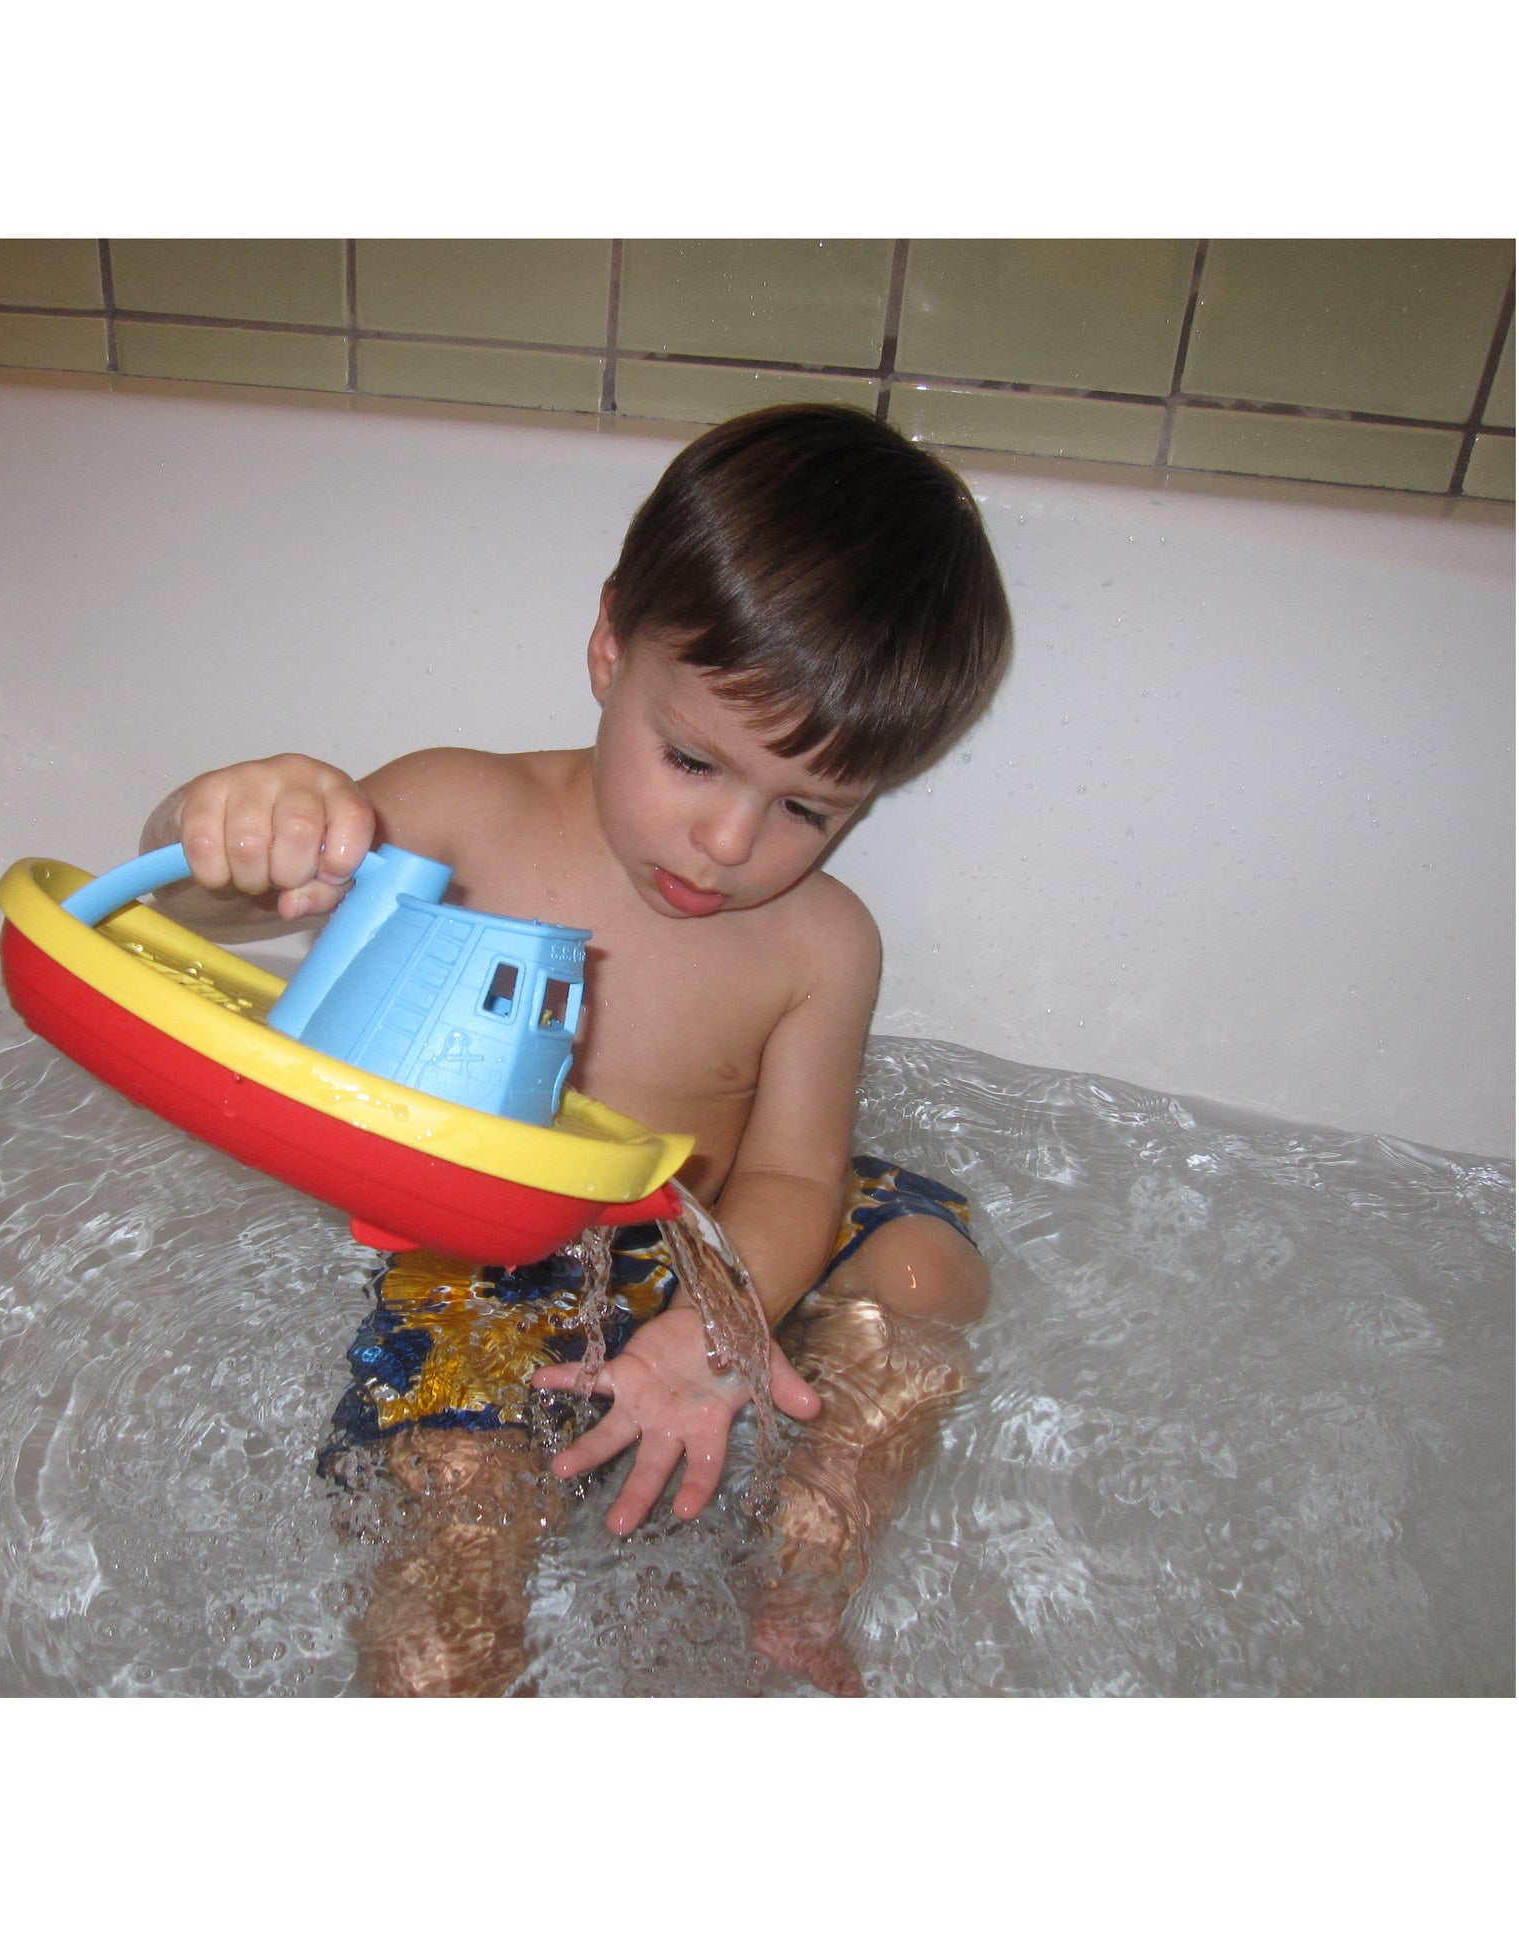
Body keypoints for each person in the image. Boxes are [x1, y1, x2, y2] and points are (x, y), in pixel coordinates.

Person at [140, 403, 1011, 1695]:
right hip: (485, 1246)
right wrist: (240, 819)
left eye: (806, 807)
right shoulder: (455, 810)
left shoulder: (823, 943)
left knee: (930, 1263)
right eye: (692, 760)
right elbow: (182, 907)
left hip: (708, 1235)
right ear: (609, 648)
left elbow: (789, 1183)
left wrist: (721, 1327)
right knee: (461, 1503)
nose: (727, 843)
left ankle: (796, 1584)